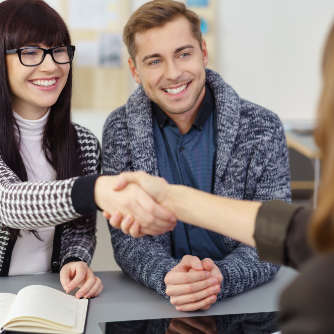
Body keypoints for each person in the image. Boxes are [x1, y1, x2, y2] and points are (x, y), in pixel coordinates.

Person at [107, 20, 334, 334]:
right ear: (135, 70)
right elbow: (127, 242)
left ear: (203, 52)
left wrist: (221, 276)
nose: (172, 73)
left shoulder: (261, 126)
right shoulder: (119, 129)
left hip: (248, 308)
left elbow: (279, 233)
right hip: (156, 308)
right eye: (155, 60)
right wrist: (168, 276)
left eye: (183, 54)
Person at [0, 0, 176, 300]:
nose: (50, 65)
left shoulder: (83, 141)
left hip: (47, 302)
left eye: (58, 51)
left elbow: (79, 228)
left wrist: (75, 261)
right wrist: (95, 190)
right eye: (29, 52)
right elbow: (9, 203)